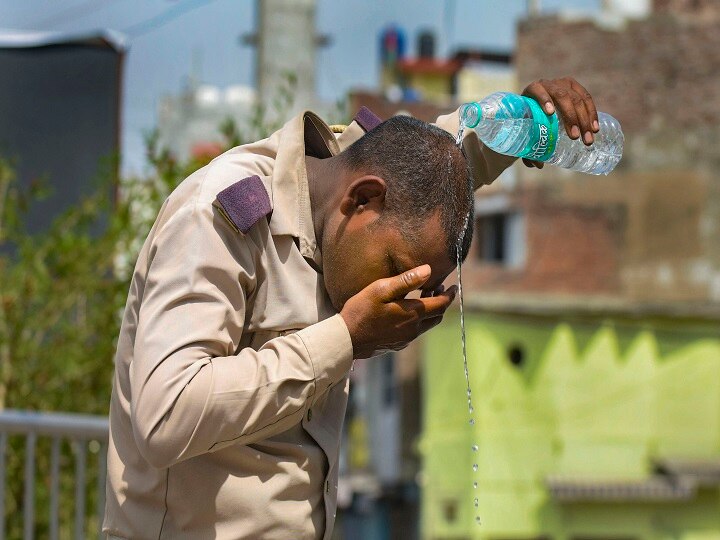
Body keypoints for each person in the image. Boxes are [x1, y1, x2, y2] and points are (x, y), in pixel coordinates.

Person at [103, 77, 599, 539]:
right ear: (362, 199)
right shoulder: (221, 216)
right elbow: (164, 415)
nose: (397, 293)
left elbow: (448, 151)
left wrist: (528, 116)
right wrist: (344, 339)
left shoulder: (362, 184)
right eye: (394, 266)